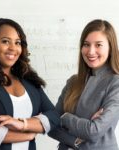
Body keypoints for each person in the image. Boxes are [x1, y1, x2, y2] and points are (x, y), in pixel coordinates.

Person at [0, 18, 59, 150]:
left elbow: (54, 116)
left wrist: (23, 124)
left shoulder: (29, 81)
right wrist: (28, 135)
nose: (13, 48)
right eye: (5, 41)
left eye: (17, 43)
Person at [48, 19, 119, 150]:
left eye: (98, 45)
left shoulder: (116, 83)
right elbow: (51, 125)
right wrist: (75, 140)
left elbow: (94, 131)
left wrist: (65, 117)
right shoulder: (73, 81)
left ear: (110, 47)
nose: (91, 51)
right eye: (86, 44)